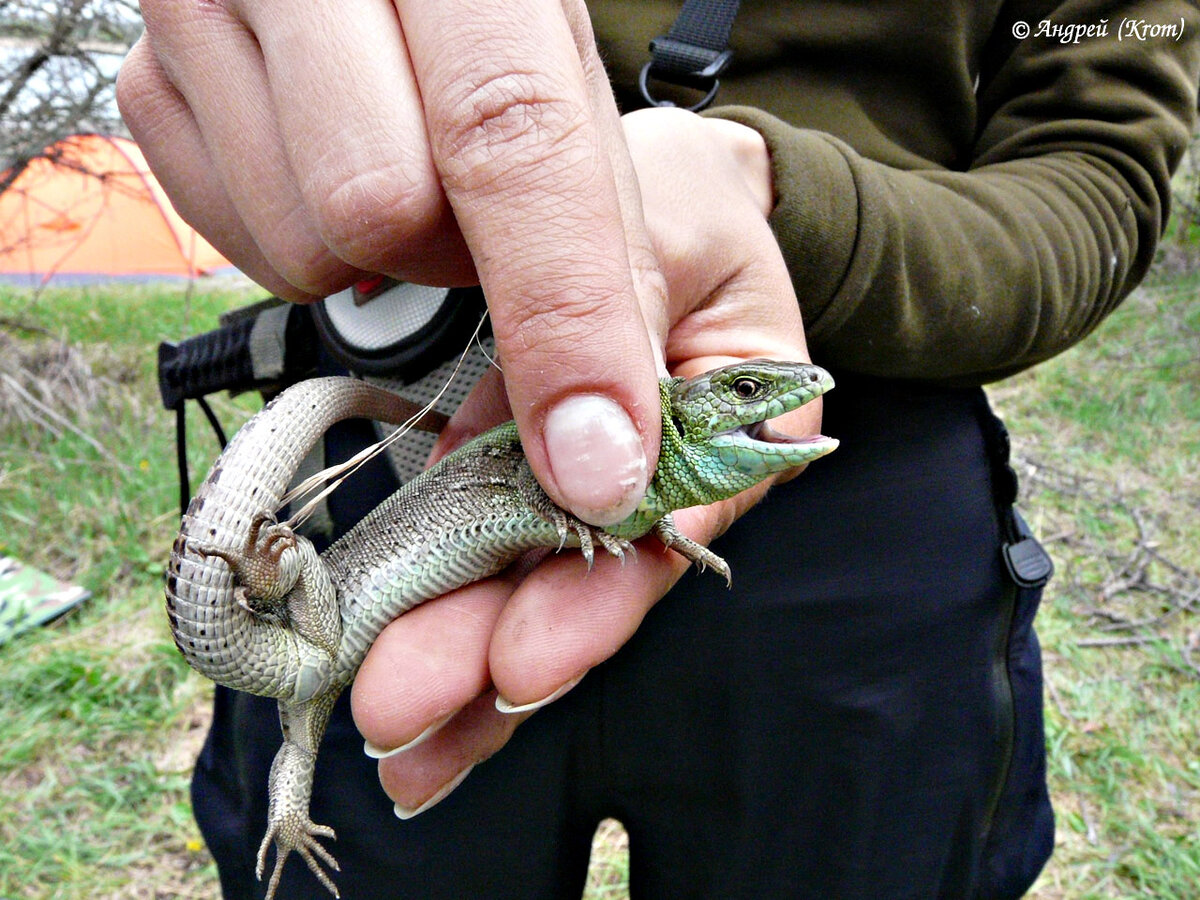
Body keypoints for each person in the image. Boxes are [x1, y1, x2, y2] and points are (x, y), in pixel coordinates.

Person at [118, 1, 1199, 897]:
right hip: (381, 456)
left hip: (869, 513)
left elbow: (1094, 165)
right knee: (331, 734)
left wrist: (783, 195)